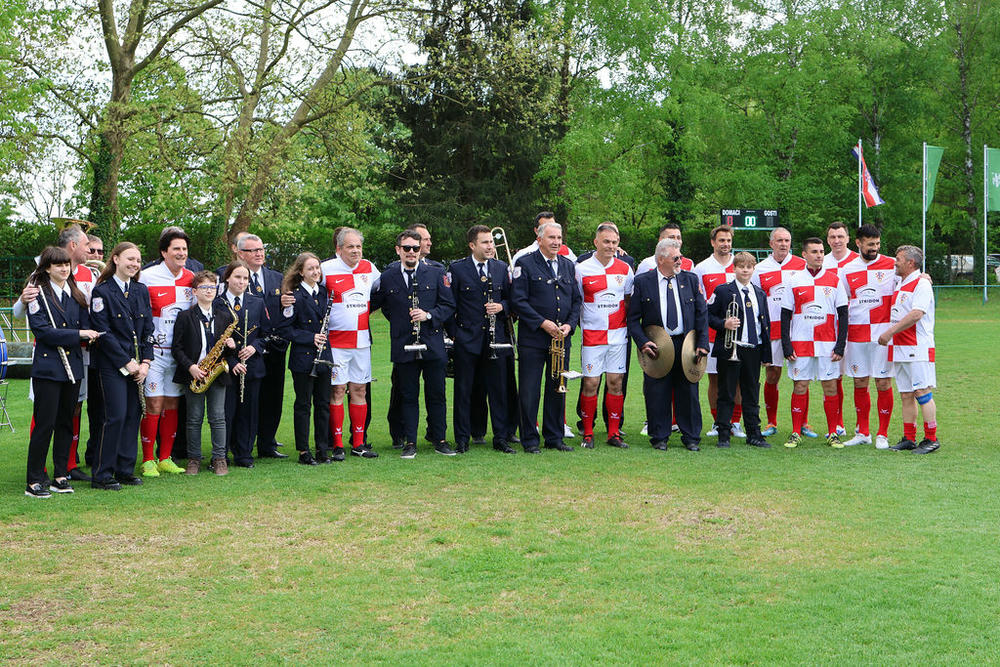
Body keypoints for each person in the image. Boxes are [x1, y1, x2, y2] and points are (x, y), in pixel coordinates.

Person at [14, 224, 99, 481]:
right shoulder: (38, 283)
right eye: (87, 245)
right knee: (45, 419)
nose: (92, 251)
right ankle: (37, 474)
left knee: (69, 416)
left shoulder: (83, 280)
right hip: (49, 362)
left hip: (76, 360)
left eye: (65, 265)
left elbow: (87, 315)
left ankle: (65, 469)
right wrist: (79, 334)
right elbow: (32, 322)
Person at [371, 230, 456, 459]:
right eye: (406, 248)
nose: (411, 252)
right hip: (403, 344)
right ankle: (410, 442)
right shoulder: (387, 277)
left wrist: (428, 316)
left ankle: (440, 439)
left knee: (436, 394)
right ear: (398, 250)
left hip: (432, 343)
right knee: (408, 395)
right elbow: (378, 305)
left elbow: (448, 306)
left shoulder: (436, 273)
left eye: (415, 248)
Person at [626, 239, 708, 451]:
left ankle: (691, 437)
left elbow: (702, 314)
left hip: (686, 343)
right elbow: (633, 319)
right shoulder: (643, 282)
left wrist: (702, 344)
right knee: (657, 392)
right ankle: (659, 437)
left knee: (688, 392)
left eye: (680, 256)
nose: (680, 261)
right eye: (676, 258)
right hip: (656, 345)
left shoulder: (691, 279)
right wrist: (642, 343)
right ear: (661, 259)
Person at [511, 221, 582, 453]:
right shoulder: (525, 263)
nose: (556, 242)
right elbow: (518, 301)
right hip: (533, 339)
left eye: (559, 238)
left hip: (561, 339)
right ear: (539, 239)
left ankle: (554, 437)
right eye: (551, 238)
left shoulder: (567, 265)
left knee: (557, 388)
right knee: (529, 391)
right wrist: (542, 323)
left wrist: (570, 325)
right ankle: (530, 440)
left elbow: (576, 300)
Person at [89, 243, 153, 489]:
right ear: (115, 259)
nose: (134, 264)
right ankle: (102, 474)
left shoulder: (140, 290)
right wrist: (126, 362)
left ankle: (125, 469)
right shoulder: (102, 291)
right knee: (114, 416)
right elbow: (103, 332)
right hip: (112, 365)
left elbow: (148, 329)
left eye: (137, 260)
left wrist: (145, 362)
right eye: (130, 259)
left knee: (132, 416)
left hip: (138, 366)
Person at [446, 225, 515, 454]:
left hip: (496, 339)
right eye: (485, 242)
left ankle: (501, 438)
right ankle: (462, 439)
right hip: (467, 339)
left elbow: (512, 299)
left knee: (498, 391)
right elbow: (449, 304)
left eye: (491, 242)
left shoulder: (501, 267)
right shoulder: (457, 269)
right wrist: (455, 334)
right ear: (472, 245)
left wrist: (501, 306)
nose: (490, 246)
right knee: (464, 391)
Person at [780, 237, 849, 449]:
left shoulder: (834, 280)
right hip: (800, 344)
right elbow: (785, 315)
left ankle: (832, 433)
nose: (819, 255)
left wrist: (840, 345)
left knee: (830, 386)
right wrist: (786, 345)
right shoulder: (793, 280)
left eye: (821, 251)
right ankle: (795, 432)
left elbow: (843, 314)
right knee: (800, 385)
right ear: (804, 254)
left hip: (827, 344)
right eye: (814, 251)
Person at [319, 228, 380, 459]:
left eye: (358, 246)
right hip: (336, 342)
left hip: (361, 342)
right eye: (350, 246)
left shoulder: (369, 268)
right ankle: (336, 445)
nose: (355, 251)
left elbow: (380, 292)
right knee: (337, 390)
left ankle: (358, 443)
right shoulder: (325, 269)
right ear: (339, 248)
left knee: (359, 390)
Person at [138, 228, 194, 477]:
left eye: (184, 249)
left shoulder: (192, 278)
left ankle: (165, 458)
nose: (181, 253)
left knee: (172, 403)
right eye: (176, 249)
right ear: (164, 252)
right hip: (154, 354)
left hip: (179, 355)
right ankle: (147, 459)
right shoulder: (147, 276)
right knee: (154, 403)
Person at [575, 223, 634, 449]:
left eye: (614, 242)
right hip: (592, 336)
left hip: (618, 335)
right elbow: (577, 301)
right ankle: (588, 433)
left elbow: (627, 300)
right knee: (591, 383)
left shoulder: (625, 269)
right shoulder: (582, 269)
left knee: (615, 383)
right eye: (606, 241)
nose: (610, 246)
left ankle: (613, 433)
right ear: (596, 242)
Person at [838, 224, 897, 448]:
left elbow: (912, 279)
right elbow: (842, 301)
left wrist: (924, 277)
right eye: (870, 244)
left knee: (883, 381)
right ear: (858, 243)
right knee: (860, 381)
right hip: (857, 335)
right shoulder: (847, 269)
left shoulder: (891, 265)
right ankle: (863, 432)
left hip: (883, 335)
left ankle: (882, 434)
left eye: (877, 244)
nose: (875, 248)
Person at [878, 245, 939, 454]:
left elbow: (916, 314)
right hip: (901, 347)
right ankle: (909, 438)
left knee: (922, 391)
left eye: (899, 259)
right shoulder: (901, 282)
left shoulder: (921, 284)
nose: (895, 262)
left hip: (917, 347)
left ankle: (931, 438)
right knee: (906, 394)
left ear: (911, 263)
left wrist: (889, 332)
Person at [172, 271, 233, 475]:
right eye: (204, 287)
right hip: (194, 373)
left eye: (212, 288)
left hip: (217, 374)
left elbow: (228, 351)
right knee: (194, 418)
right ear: (195, 291)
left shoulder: (224, 316)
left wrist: (232, 346)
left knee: (218, 417)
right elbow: (177, 348)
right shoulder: (184, 316)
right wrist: (191, 367)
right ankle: (194, 459)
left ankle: (219, 458)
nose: (209, 291)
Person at [708, 252, 772, 448]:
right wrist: (724, 323)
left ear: (753, 269)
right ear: (734, 268)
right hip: (731, 349)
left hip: (753, 348)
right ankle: (723, 434)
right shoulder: (723, 291)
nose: (745, 270)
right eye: (741, 267)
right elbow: (708, 316)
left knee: (751, 392)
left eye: (749, 267)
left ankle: (754, 433)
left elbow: (764, 324)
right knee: (726, 392)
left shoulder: (759, 293)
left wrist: (766, 353)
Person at [233, 234, 289, 459]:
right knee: (246, 400)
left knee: (273, 398)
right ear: (240, 254)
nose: (259, 253)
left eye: (261, 249)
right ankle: (240, 445)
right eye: (253, 250)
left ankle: (267, 444)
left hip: (274, 348)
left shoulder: (277, 277)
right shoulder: (233, 277)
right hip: (246, 349)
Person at [279, 253, 334, 465]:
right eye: (310, 269)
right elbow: (285, 330)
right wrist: (310, 338)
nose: (315, 272)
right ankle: (303, 451)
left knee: (323, 404)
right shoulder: (294, 296)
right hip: (303, 358)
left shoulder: (324, 292)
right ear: (301, 272)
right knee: (303, 404)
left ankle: (322, 449)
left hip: (324, 356)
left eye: (317, 268)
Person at [752, 227, 806, 437]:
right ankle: (771, 422)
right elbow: (756, 301)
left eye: (787, 240)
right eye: (779, 240)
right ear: (771, 243)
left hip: (797, 330)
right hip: (772, 330)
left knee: (801, 376)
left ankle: (803, 423)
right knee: (773, 374)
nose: (784, 244)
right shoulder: (760, 269)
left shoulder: (801, 265)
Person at [695, 225, 743, 438]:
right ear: (713, 242)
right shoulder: (702, 268)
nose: (725, 244)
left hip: (739, 334)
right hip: (713, 334)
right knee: (714, 379)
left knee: (738, 380)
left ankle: (735, 422)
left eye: (728, 240)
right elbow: (700, 303)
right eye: (721, 240)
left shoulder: (741, 265)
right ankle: (717, 422)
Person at [217, 260, 265, 467]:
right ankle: (222, 453)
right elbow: (213, 338)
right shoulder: (217, 303)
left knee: (249, 411)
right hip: (227, 366)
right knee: (226, 411)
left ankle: (244, 453)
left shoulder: (258, 302)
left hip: (251, 365)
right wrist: (232, 360)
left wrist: (255, 347)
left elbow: (266, 333)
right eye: (237, 277)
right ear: (227, 278)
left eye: (245, 278)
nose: (242, 282)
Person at [822, 221, 858, 437]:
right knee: (834, 377)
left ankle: (862, 427)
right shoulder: (821, 261)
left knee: (860, 377)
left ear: (848, 238)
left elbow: (896, 270)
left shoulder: (858, 260)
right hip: (829, 329)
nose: (837, 241)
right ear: (827, 240)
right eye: (833, 237)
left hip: (858, 327)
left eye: (840, 236)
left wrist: (923, 275)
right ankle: (838, 423)